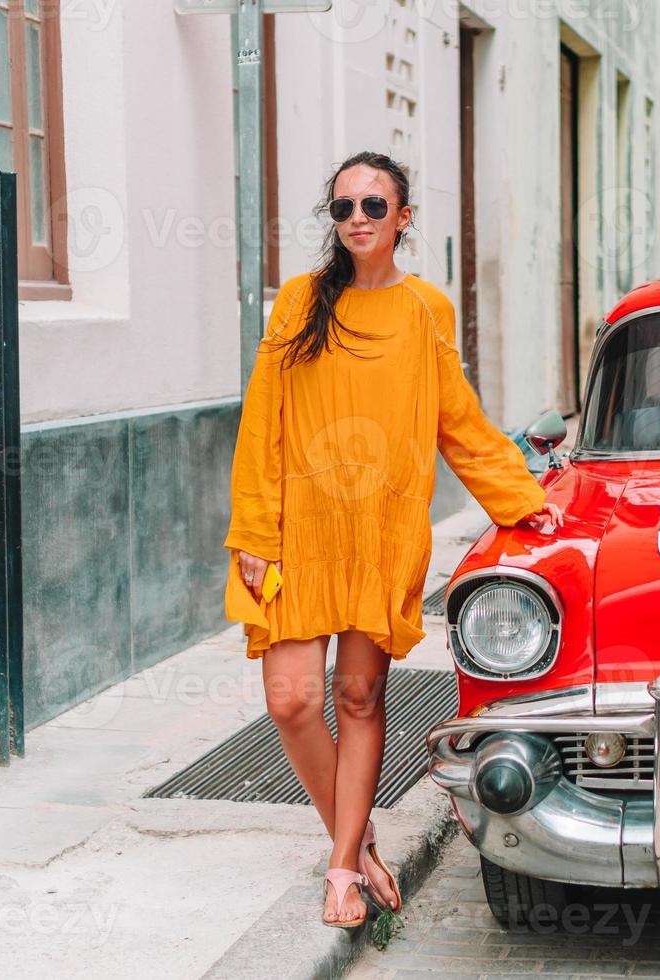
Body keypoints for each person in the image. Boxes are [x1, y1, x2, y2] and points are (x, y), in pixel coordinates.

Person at [223, 151, 561, 929]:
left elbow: (460, 423)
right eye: (343, 209)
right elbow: (260, 420)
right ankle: (356, 830)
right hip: (297, 529)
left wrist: (522, 500)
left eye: (374, 206)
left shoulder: (426, 311)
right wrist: (253, 530)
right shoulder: (302, 302)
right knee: (292, 699)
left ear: (403, 218)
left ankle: (343, 865)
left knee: (358, 695)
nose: (358, 221)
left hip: (380, 530)